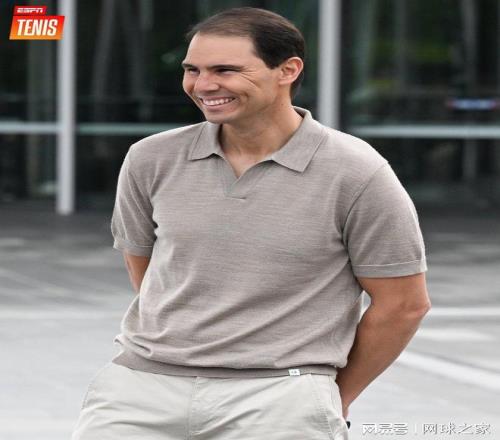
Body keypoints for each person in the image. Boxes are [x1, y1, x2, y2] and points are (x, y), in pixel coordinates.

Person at [71, 6, 430, 440]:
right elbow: (147, 273)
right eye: (192, 70)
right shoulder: (150, 158)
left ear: (288, 70)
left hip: (279, 395)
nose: (203, 85)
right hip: (140, 389)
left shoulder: (357, 171)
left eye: (225, 70)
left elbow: (403, 304)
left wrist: (333, 395)